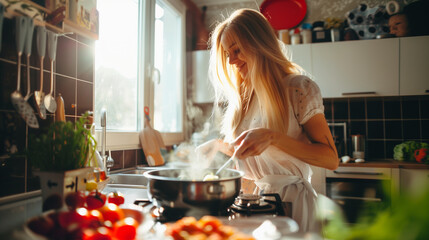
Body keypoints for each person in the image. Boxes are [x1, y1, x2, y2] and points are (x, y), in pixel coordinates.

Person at [196, 9, 339, 232]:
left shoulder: (299, 88)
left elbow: (331, 159)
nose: (232, 60)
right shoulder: (244, 96)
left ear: (258, 44)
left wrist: (273, 138)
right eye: (227, 54)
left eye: (236, 50)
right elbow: (254, 150)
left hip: (292, 206)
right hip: (253, 204)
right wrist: (219, 146)